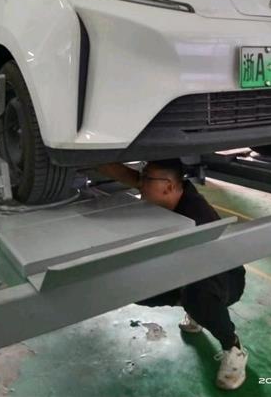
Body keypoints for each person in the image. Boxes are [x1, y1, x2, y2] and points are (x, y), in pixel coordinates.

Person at [98, 158, 248, 390]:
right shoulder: (173, 193)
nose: (140, 183)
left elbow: (208, 269)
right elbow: (131, 177)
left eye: (145, 179)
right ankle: (194, 306)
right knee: (138, 290)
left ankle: (233, 346)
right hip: (193, 270)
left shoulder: (196, 218)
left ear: (168, 186)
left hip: (225, 280)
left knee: (198, 296)